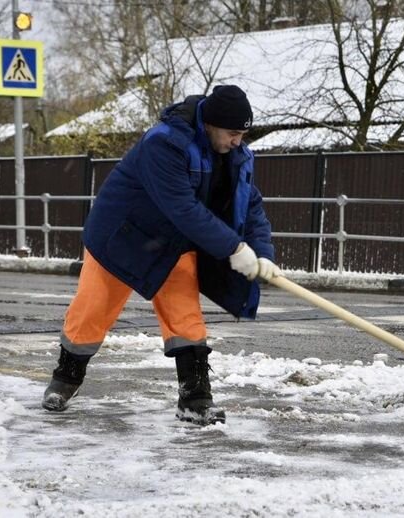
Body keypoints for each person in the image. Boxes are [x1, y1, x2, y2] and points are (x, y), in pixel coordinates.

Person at [41, 85, 281, 425]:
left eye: (243, 134)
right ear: (211, 124)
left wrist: (262, 252)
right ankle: (65, 379)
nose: (238, 141)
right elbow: (181, 207)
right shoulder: (165, 142)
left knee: (184, 315)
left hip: (172, 243)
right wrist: (234, 248)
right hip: (121, 236)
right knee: (93, 308)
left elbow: (250, 204)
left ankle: (195, 399)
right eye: (233, 133)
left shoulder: (235, 155)